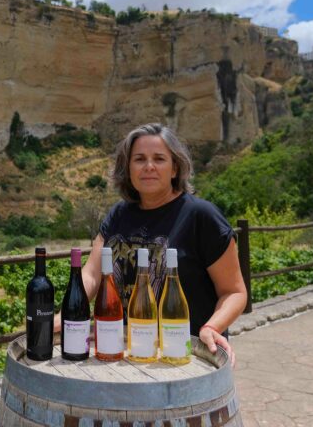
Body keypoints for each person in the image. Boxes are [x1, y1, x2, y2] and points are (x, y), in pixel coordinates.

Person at [56, 123, 247, 365]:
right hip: (127, 352)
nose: (149, 167)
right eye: (139, 159)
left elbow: (234, 292)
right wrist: (65, 315)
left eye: (159, 158)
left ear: (175, 168)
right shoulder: (118, 215)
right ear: (128, 168)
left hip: (185, 355)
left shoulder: (201, 216)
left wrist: (212, 326)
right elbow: (92, 275)